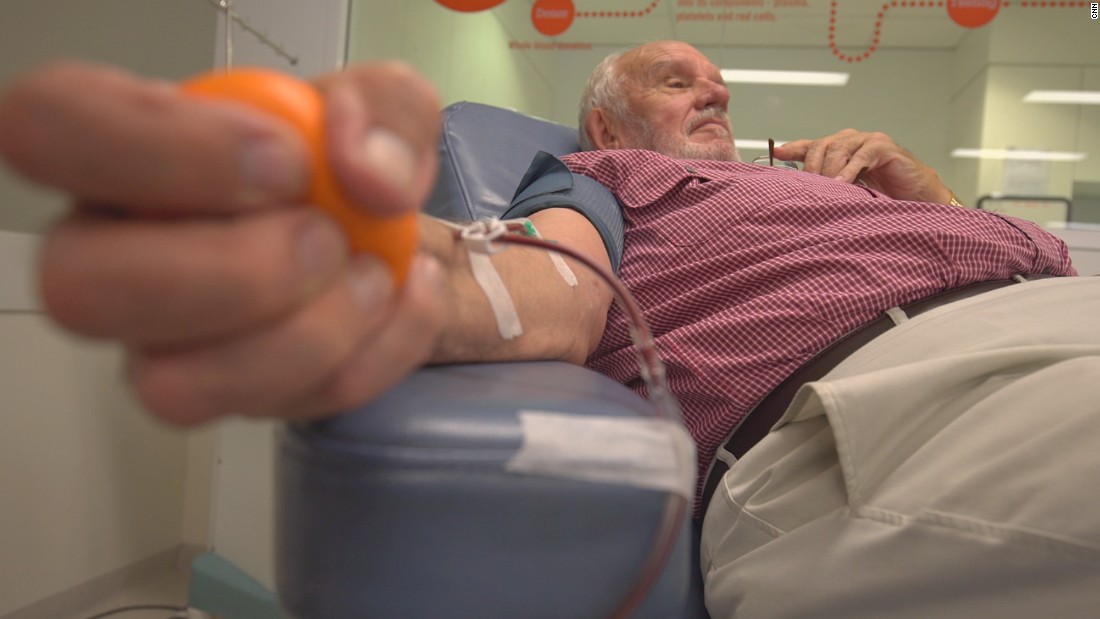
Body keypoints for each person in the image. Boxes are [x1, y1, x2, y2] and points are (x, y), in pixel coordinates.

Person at [2, 42, 1098, 617]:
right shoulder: (595, 173)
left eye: (718, 83)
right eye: (678, 82)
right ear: (608, 120)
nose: (712, 95)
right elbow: (549, 287)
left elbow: (1043, 259)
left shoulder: (856, 186)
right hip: (899, 397)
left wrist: (931, 204)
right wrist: (365, 269)